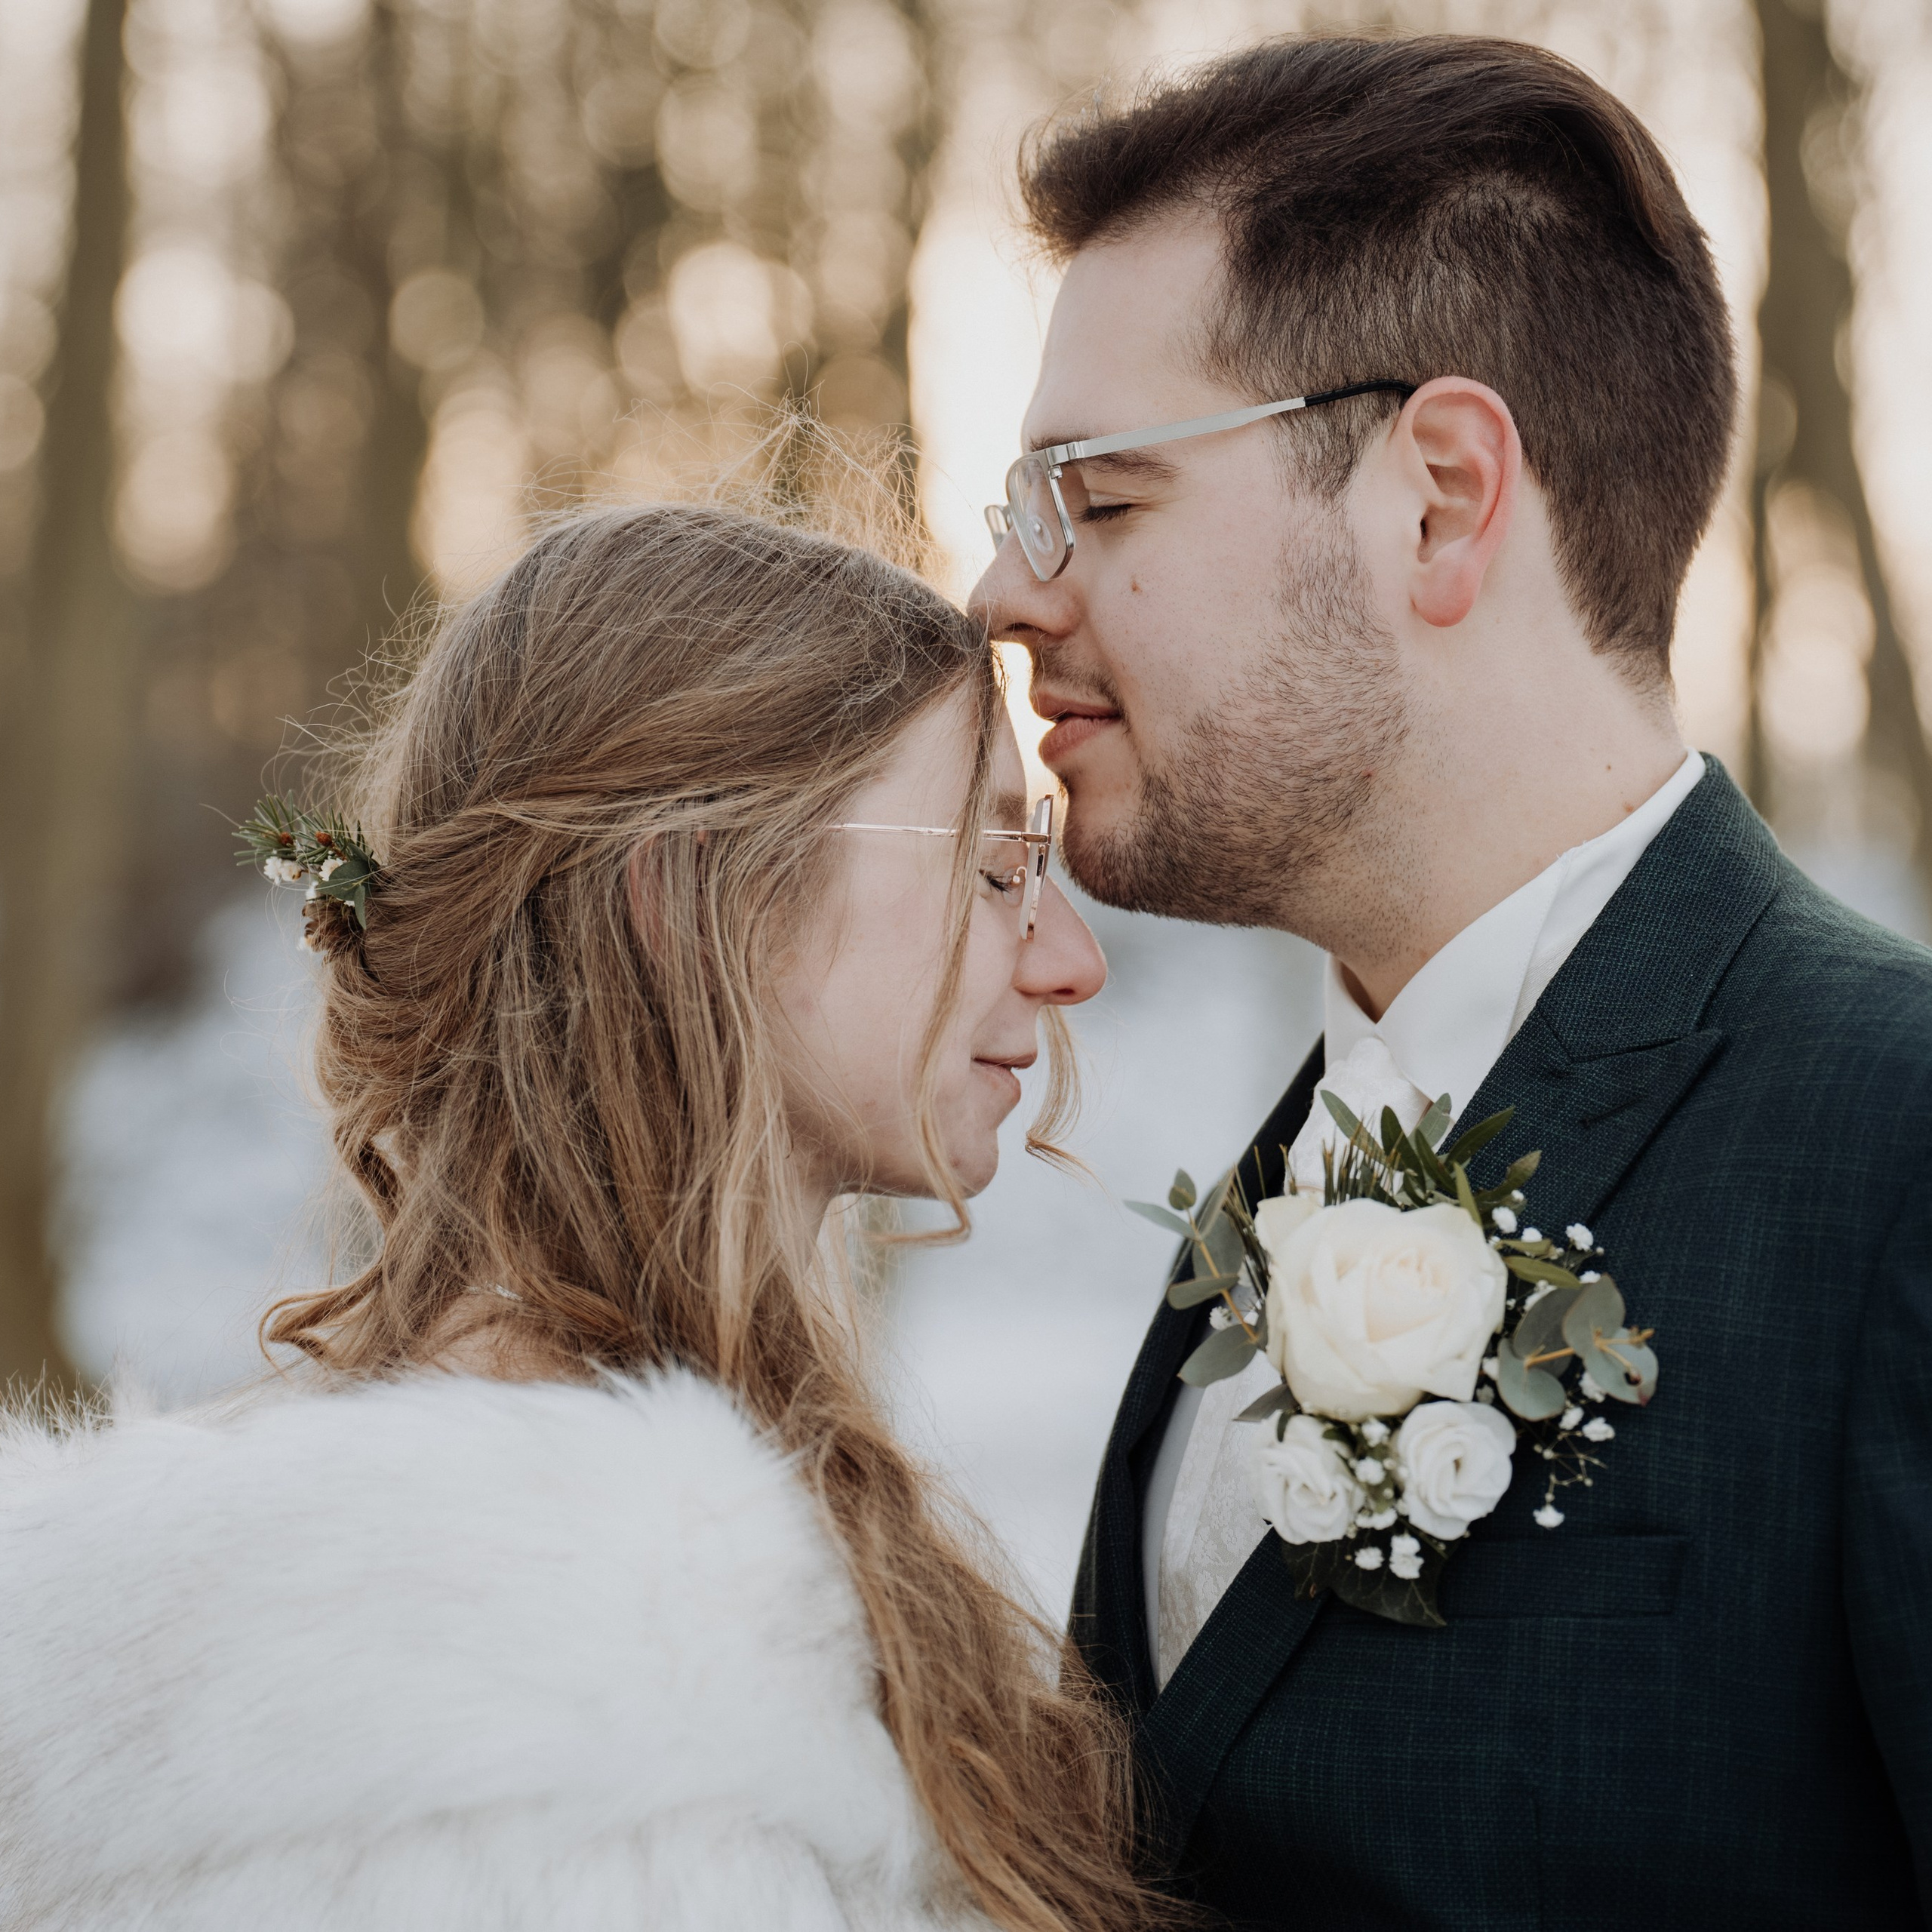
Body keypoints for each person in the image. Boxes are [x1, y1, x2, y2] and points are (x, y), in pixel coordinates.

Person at [973, 32, 1932, 1931]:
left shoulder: (1892, 1153)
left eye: (1101, 496)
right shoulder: (1274, 1185)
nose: (1007, 591)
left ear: (1435, 495)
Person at [0, 498, 1180, 1932]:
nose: (1069, 959)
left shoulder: (381, 1599)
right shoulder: (583, 1696)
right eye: (995, 868)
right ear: (691, 898)